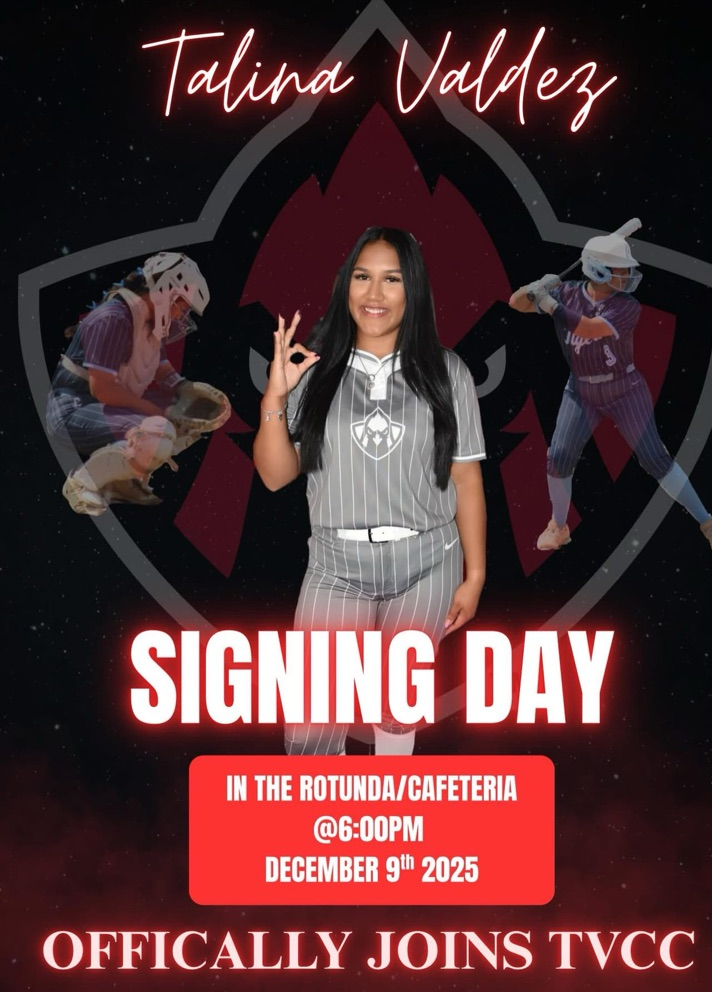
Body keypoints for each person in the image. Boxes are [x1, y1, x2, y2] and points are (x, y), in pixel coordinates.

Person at [253, 226, 487, 755]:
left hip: (428, 559)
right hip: (335, 567)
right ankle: (318, 835)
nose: (374, 295)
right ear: (345, 286)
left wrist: (474, 577)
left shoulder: (449, 372)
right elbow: (275, 476)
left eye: (391, 280)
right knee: (312, 731)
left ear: (414, 291)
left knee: (396, 712)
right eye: (363, 277)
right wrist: (275, 394)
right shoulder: (312, 371)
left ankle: (384, 831)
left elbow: (466, 478)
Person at [508, 233, 712, 557]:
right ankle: (558, 525)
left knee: (655, 458)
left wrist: (547, 302)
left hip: (624, 389)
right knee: (558, 457)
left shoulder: (627, 306)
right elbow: (516, 304)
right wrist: (536, 287)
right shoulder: (567, 293)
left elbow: (587, 328)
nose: (626, 276)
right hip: (582, 389)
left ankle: (708, 523)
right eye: (620, 270)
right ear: (597, 269)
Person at [47, 251, 230, 516]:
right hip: (70, 410)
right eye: (182, 305)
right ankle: (82, 483)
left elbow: (163, 372)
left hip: (100, 407)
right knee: (158, 430)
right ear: (167, 289)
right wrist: (153, 413)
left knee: (184, 425)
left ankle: (122, 469)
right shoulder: (113, 318)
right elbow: (103, 389)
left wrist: (186, 389)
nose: (181, 315)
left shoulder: (147, 325)